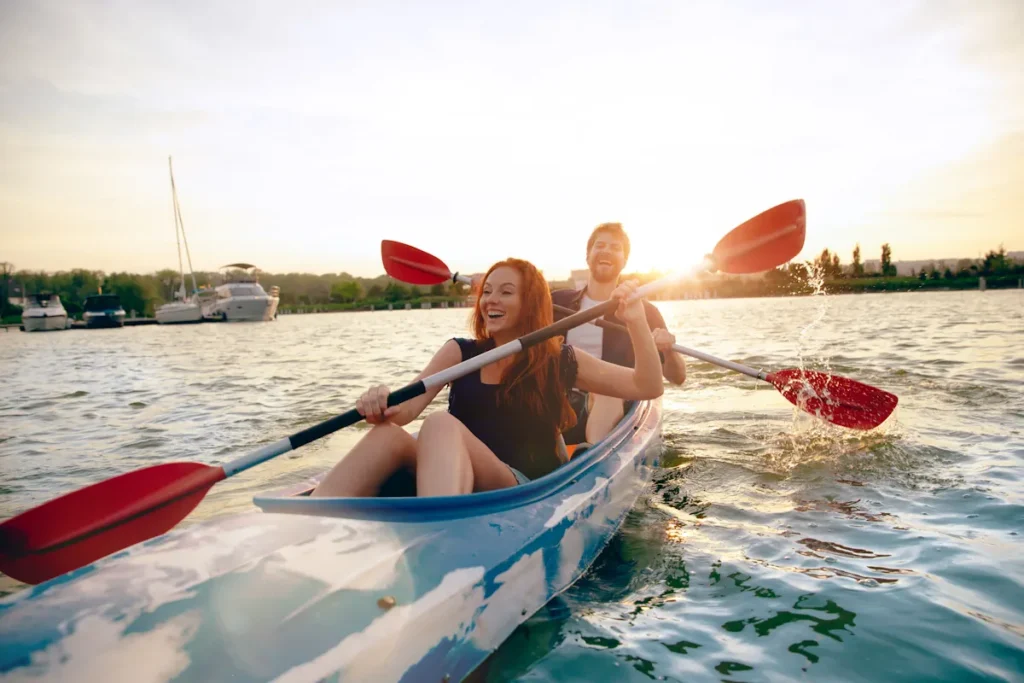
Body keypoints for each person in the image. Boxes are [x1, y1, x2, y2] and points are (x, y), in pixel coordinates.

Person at [311, 257, 664, 498]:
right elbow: (401, 413)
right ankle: (304, 529)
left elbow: (646, 386)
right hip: (451, 474)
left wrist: (635, 321)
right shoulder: (459, 353)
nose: (491, 300)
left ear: (530, 303)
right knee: (387, 435)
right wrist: (378, 400)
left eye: (506, 292)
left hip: (522, 489)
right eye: (488, 291)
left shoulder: (559, 359)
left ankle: (438, 539)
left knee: (439, 425)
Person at [552, 222, 686, 445]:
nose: (606, 251)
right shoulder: (557, 302)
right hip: (559, 400)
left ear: (624, 261)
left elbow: (678, 377)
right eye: (600, 245)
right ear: (588, 255)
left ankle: (593, 453)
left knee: (606, 390)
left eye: (615, 248)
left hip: (612, 402)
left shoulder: (644, 312)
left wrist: (669, 352)